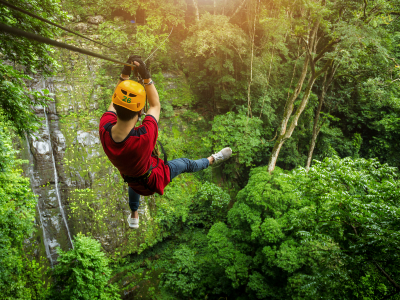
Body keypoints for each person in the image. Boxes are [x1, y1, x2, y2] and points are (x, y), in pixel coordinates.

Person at [99, 55, 232, 229]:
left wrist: (125, 76)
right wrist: (145, 75)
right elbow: (155, 105)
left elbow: (119, 101)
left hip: (131, 176)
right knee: (185, 164)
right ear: (140, 112)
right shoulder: (143, 136)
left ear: (116, 107)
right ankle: (213, 159)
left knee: (134, 181)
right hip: (153, 179)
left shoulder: (104, 128)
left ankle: (134, 214)